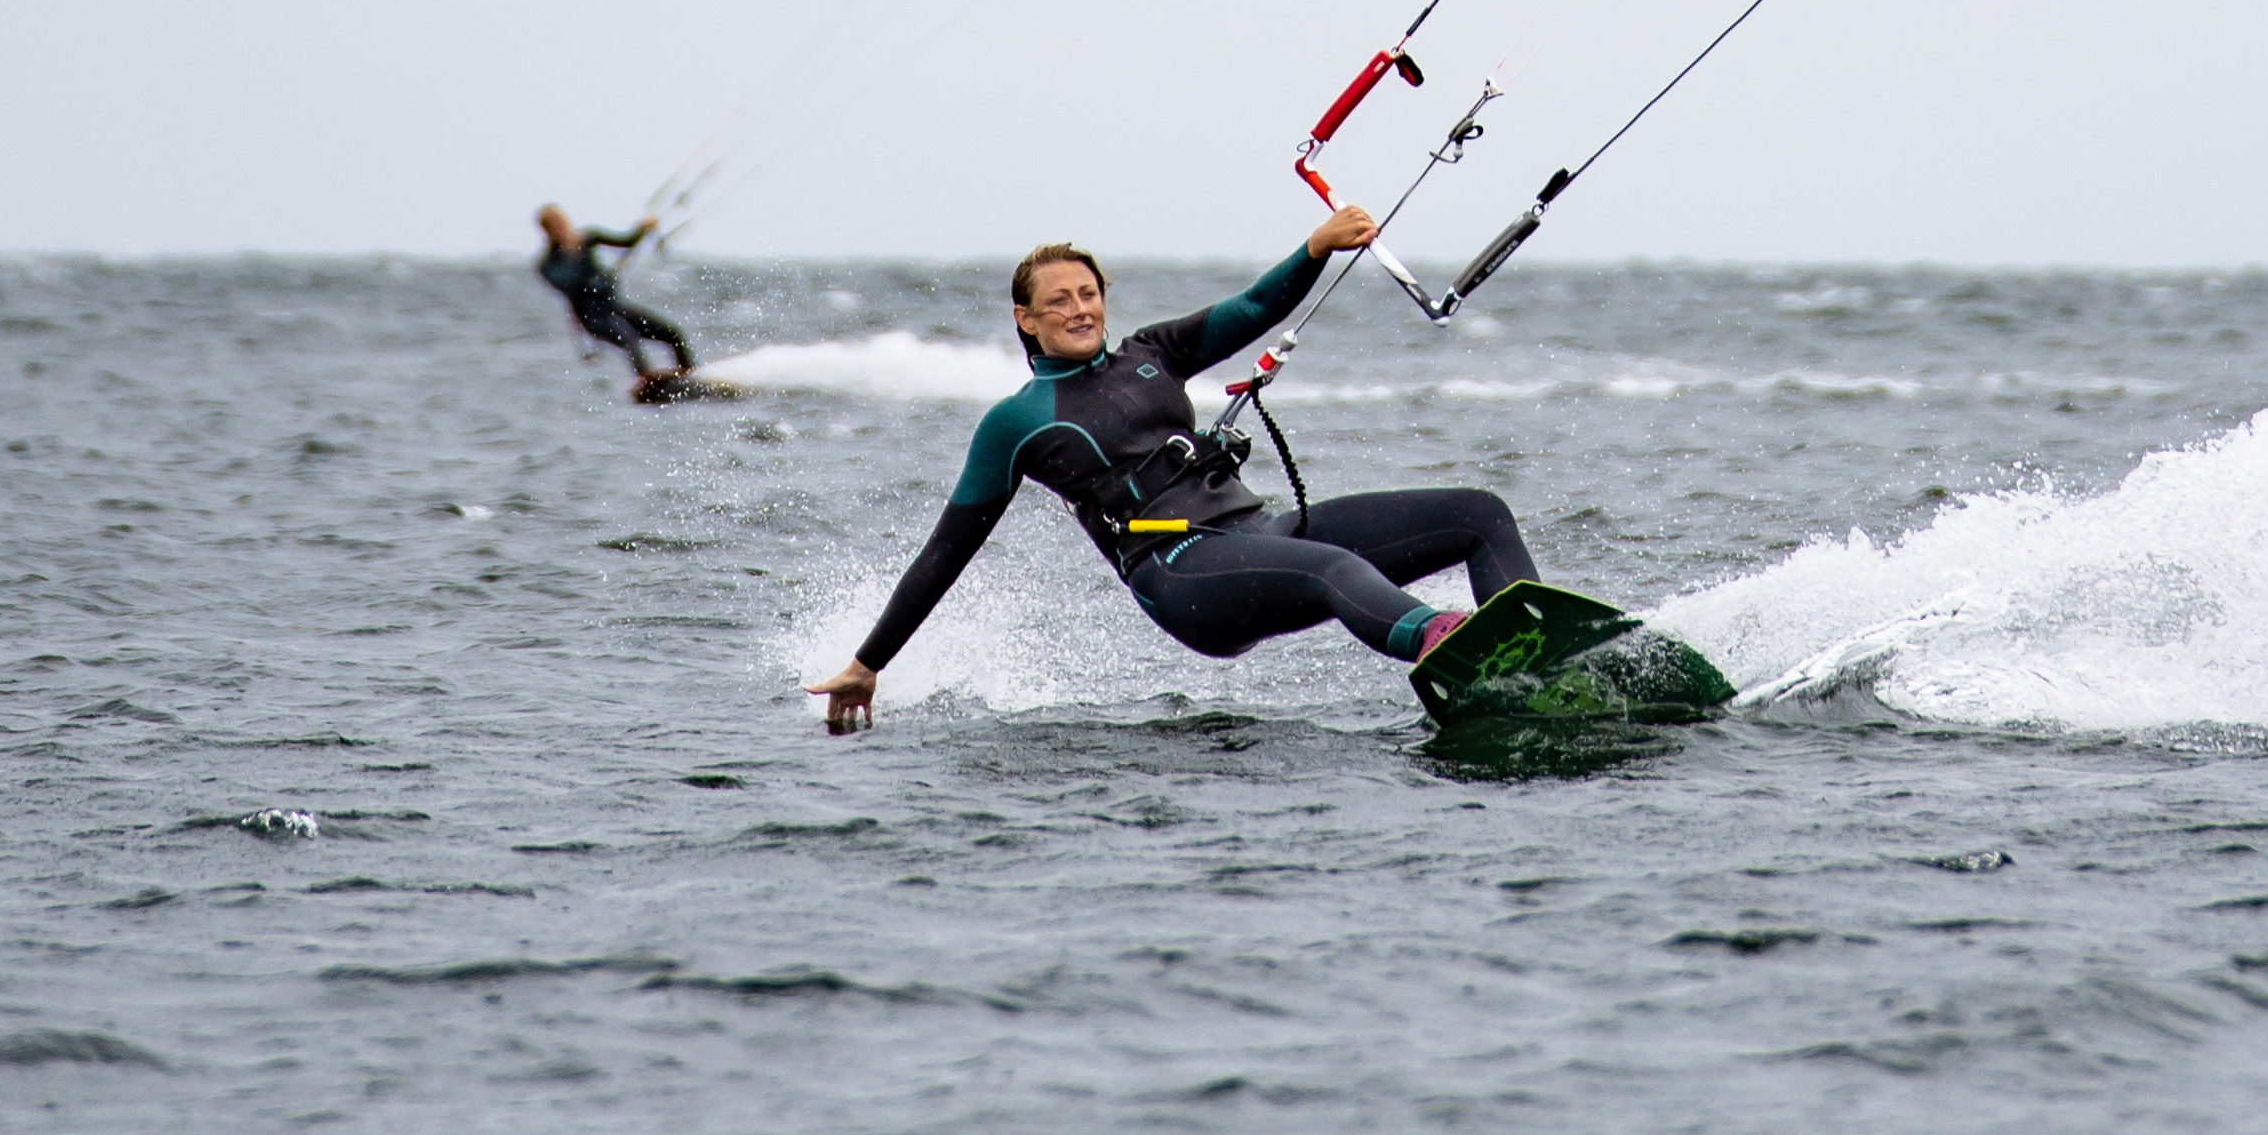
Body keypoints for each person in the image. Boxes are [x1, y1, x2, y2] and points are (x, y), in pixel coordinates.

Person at [804, 209, 1537, 730]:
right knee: (1332, 567)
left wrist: (1313, 249)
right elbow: (946, 551)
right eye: (1058, 301)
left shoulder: (1153, 352)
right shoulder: (1017, 421)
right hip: (1178, 569)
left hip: (1254, 533)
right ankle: (1447, 646)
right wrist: (870, 662)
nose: (1079, 308)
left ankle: (1541, 656)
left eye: (1088, 293)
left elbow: (1252, 305)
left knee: (1478, 513)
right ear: (1025, 318)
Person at [535, 206, 696, 385]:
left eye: (561, 222)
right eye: (554, 226)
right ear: (547, 232)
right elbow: (566, 282)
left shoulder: (589, 238)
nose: (561, 228)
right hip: (595, 318)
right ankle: (648, 380)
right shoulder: (548, 264)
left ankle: (690, 375)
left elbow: (626, 242)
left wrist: (643, 228)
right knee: (628, 336)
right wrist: (584, 268)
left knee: (672, 334)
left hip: (616, 308)